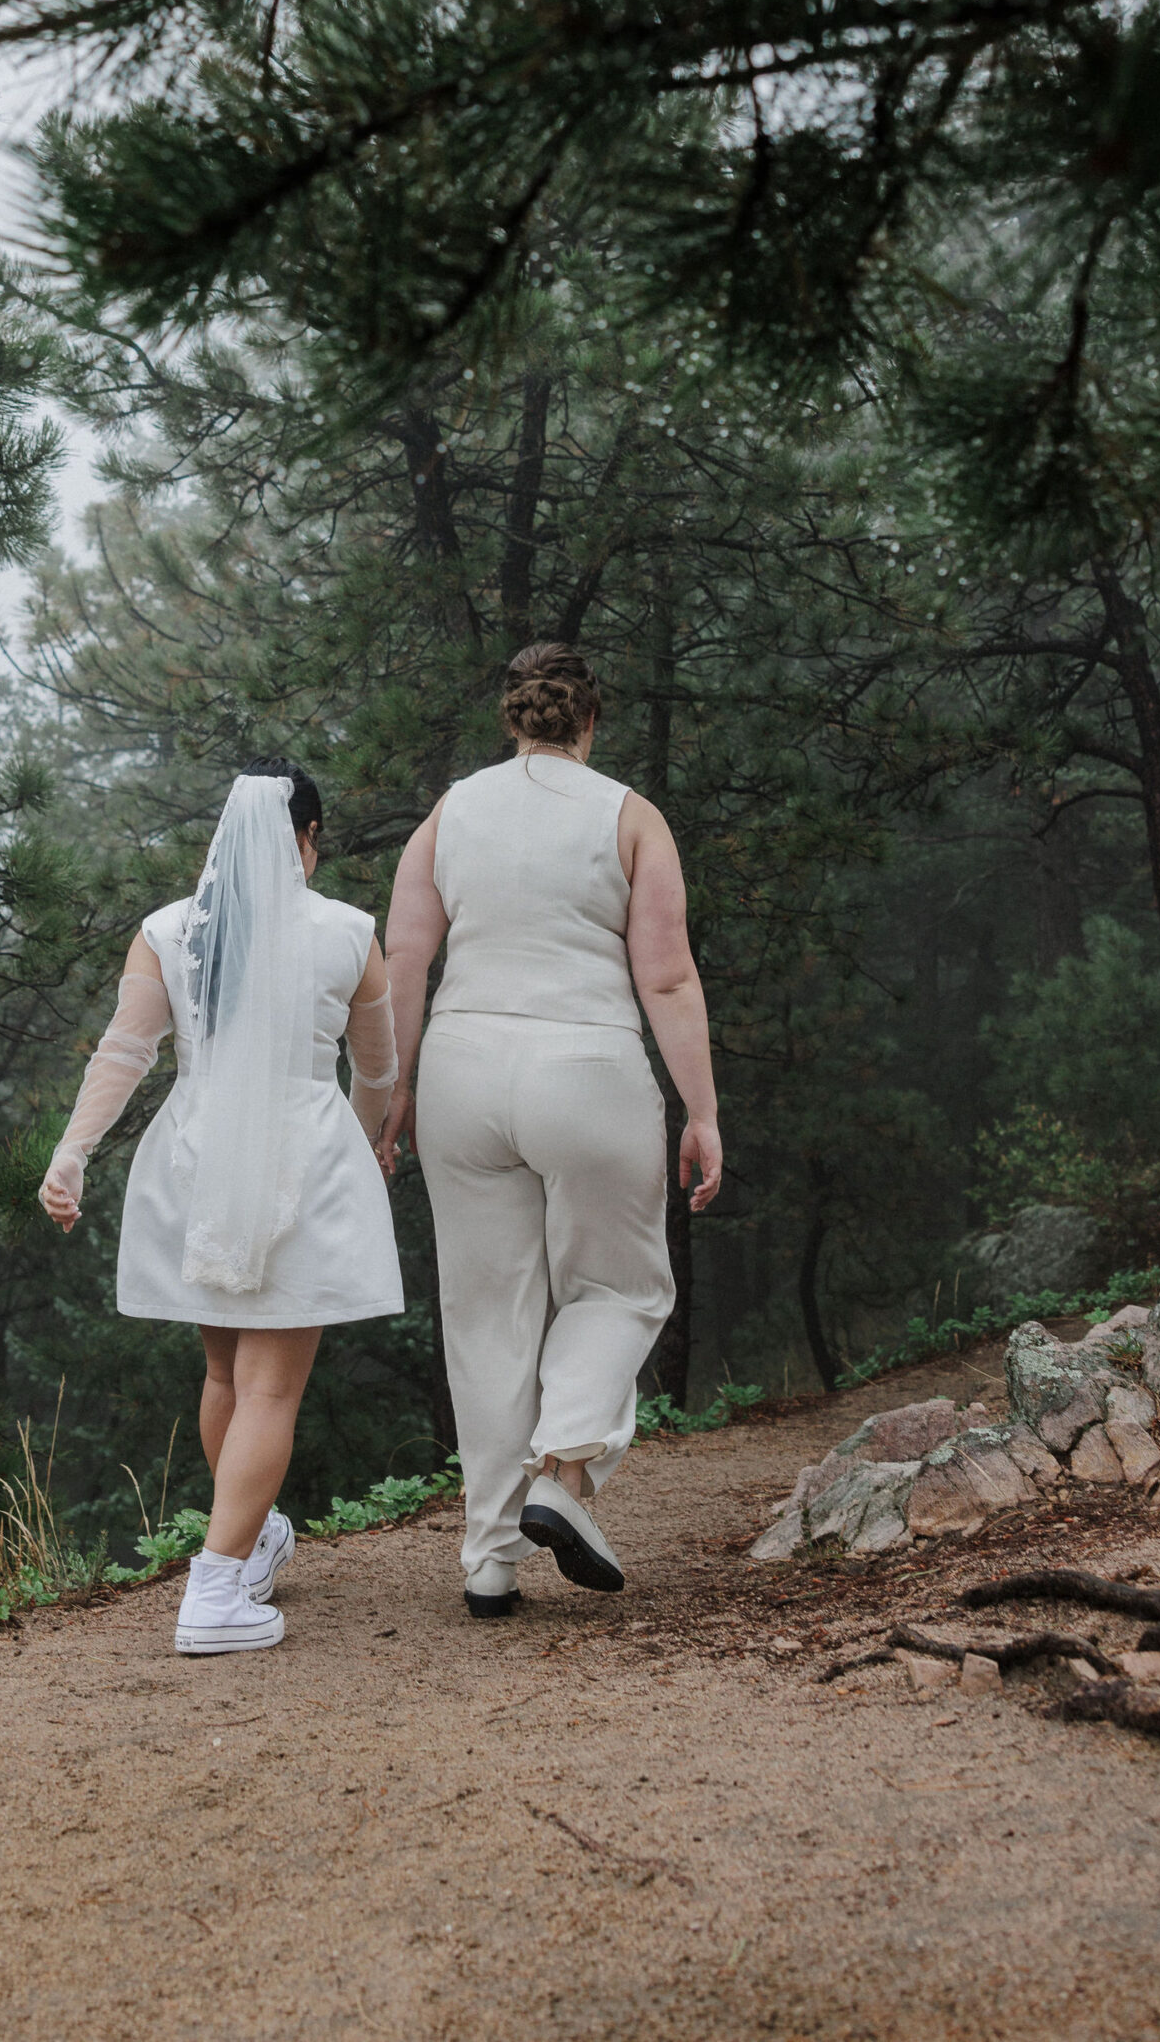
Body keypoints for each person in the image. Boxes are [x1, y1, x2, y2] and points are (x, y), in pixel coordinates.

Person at [375, 645, 723, 1617]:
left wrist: (391, 1096)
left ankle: (488, 1561)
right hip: (588, 1070)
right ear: (590, 722)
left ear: (512, 719)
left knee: (486, 1315)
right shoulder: (629, 817)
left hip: (462, 1072)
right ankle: (561, 1471)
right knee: (623, 1284)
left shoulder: (448, 815)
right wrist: (701, 1108)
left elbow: (404, 957)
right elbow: (665, 975)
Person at [40, 760, 402, 1655]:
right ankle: (213, 1592)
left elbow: (124, 1051)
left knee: (224, 1378)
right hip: (301, 1159)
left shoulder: (167, 932)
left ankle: (253, 1540)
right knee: (272, 1388)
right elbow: (378, 1071)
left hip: (194, 1159)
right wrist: (360, 1149)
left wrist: (72, 1152)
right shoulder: (349, 932)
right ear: (307, 841)